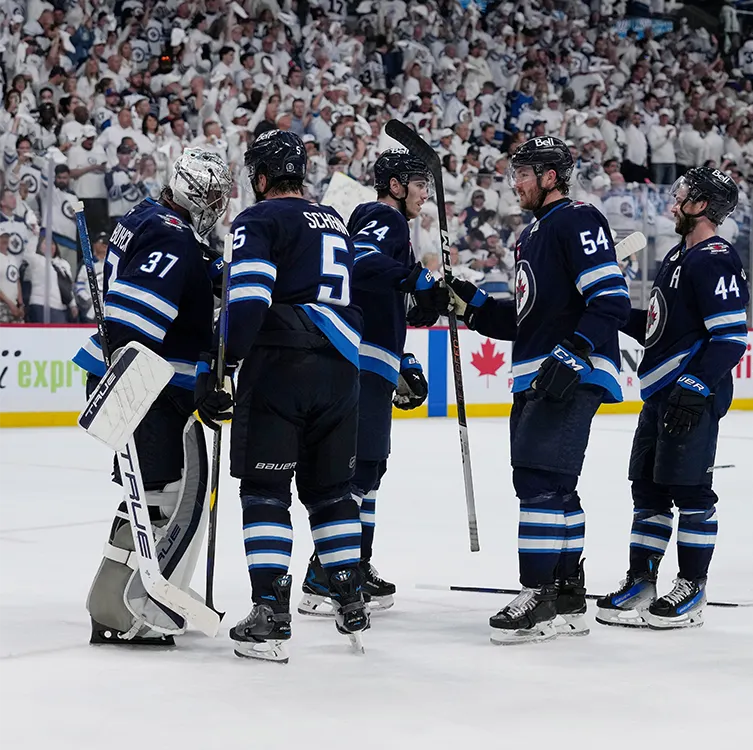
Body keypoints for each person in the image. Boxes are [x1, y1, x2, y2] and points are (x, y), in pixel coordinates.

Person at [447, 136, 631, 644]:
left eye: (524, 173)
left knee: (540, 481)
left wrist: (572, 351)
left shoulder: (577, 218)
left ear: (551, 176)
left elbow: (611, 299)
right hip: (539, 369)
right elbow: (529, 318)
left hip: (569, 370)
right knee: (552, 485)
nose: (516, 183)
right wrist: (475, 306)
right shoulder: (532, 234)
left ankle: (539, 594)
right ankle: (568, 594)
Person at [194, 130, 368, 662]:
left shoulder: (258, 220)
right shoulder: (332, 221)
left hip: (281, 367)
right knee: (332, 491)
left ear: (262, 176)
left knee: (265, 490)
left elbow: (249, 303)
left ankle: (270, 609)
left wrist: (219, 366)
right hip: (342, 369)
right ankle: (349, 591)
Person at [71, 148, 233, 646]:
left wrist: (213, 274)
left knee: (156, 496)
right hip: (143, 382)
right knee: (169, 497)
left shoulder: (148, 213)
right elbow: (133, 324)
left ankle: (119, 600)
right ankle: (130, 609)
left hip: (133, 378)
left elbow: (180, 276)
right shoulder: (172, 235)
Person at [595, 167, 745, 630]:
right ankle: (642, 580)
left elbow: (730, 338)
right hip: (660, 393)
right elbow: (660, 329)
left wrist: (696, 387)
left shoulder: (715, 258)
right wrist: (613, 304)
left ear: (703, 205)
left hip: (690, 395)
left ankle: (693, 586)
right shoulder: (677, 257)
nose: (672, 204)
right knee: (648, 488)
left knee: (690, 491)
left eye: (682, 197)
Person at [299, 148, 446, 616]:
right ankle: (324, 575)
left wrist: (404, 352)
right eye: (417, 183)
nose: (425, 192)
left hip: (373, 363)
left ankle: (355, 564)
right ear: (396, 185)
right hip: (358, 366)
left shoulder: (395, 226)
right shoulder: (382, 216)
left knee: (371, 470)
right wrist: (414, 276)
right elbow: (359, 261)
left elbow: (379, 301)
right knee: (357, 470)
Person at [0, 225, 24, 323]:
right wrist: (10, 304)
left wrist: (21, 304)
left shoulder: (13, 259)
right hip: (2, 305)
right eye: (2, 237)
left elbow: (16, 281)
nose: (5, 240)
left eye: (6, 237)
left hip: (15, 306)